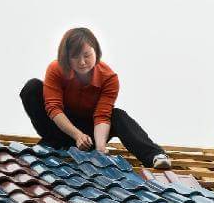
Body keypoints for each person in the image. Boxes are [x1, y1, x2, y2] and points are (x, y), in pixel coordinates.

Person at [20, 27, 171, 169]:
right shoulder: (56, 69)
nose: (82, 62)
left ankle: (154, 155)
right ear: (66, 57)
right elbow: (54, 108)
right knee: (32, 88)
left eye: (87, 55)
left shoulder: (109, 78)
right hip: (58, 128)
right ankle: (53, 142)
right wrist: (77, 135)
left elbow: (102, 116)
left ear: (96, 51)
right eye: (75, 57)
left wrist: (100, 149)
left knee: (118, 115)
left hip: (90, 134)